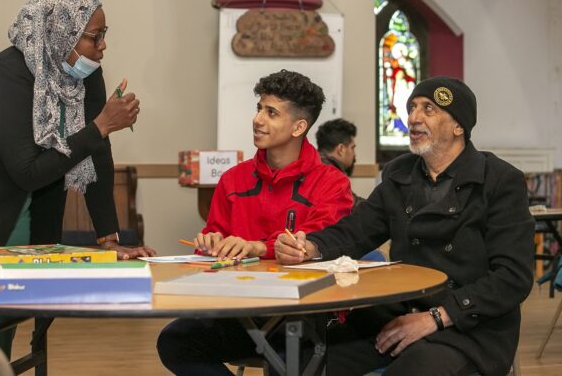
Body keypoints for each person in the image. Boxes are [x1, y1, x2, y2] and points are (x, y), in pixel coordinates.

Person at [0, 0, 155, 354]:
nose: (103, 47)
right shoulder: (9, 75)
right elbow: (29, 170)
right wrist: (100, 125)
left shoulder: (85, 74)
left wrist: (109, 239)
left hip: (18, 192)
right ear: (60, 33)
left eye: (104, 36)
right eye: (95, 37)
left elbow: (97, 151)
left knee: (5, 312)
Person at [275, 77, 534, 376]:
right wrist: (311, 246)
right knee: (297, 357)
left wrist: (437, 317)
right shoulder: (399, 175)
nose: (413, 117)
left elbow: (513, 277)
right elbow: (356, 230)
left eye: (428, 109)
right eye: (412, 107)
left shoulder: (500, 181)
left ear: (459, 126)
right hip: (399, 315)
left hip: (469, 327)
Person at [157, 69, 354, 375]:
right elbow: (215, 235)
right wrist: (209, 244)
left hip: (302, 314)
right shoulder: (232, 179)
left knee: (289, 354)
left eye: (271, 112)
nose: (258, 119)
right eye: (259, 108)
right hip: (239, 311)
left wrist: (258, 248)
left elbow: (320, 242)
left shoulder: (332, 183)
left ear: (299, 126)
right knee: (174, 341)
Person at [315, 118, 365, 206]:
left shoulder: (313, 166)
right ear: (341, 149)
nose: (354, 154)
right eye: (352, 148)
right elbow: (355, 209)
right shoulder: (331, 176)